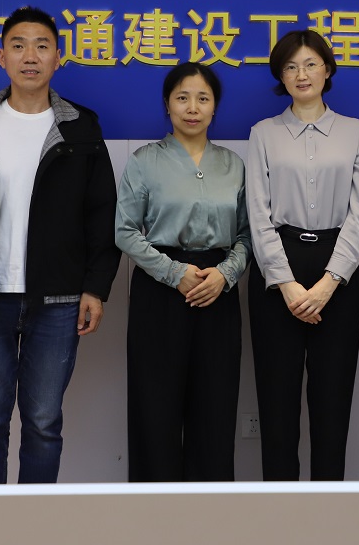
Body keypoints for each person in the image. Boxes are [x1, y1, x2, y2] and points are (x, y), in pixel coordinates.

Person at [0, 5, 119, 484]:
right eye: (18, 46)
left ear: (58, 57)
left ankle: (36, 521)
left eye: (42, 46)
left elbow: (102, 216)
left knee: (44, 424)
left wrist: (95, 288)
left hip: (58, 300)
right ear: (1, 57)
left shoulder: (81, 127)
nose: (30, 56)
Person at [245, 29, 359, 481]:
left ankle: (329, 508)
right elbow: (257, 213)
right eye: (291, 66)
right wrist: (286, 284)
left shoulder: (356, 132)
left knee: (332, 401)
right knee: (276, 402)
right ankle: (279, 508)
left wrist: (328, 283)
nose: (302, 74)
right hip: (276, 271)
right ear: (281, 75)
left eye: (311, 64)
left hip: (338, 271)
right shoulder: (263, 133)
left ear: (328, 69)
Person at [115, 62, 250, 481]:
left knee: (216, 406)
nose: (193, 108)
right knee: (154, 406)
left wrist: (226, 274)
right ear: (167, 105)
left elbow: (248, 234)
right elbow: (124, 231)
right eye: (183, 98)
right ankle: (153, 510)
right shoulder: (145, 161)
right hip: (160, 290)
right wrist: (175, 273)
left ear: (215, 107)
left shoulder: (233, 165)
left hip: (218, 292)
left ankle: (210, 511)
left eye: (203, 98)